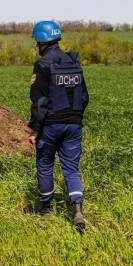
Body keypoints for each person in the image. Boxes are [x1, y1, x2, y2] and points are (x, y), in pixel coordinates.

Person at [27, 20, 89, 231]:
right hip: (74, 124)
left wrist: (35, 129)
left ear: (41, 41)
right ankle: (77, 208)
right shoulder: (73, 63)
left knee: (45, 164)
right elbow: (84, 97)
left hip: (51, 126)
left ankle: (46, 209)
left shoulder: (43, 64)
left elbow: (39, 101)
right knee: (71, 168)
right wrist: (75, 118)